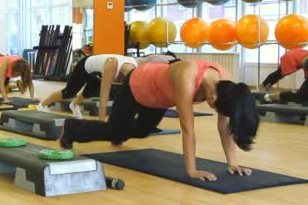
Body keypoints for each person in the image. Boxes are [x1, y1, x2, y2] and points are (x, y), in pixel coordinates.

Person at [59, 59, 259, 182]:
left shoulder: (227, 87)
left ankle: (120, 131)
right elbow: (188, 129)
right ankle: (72, 128)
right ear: (213, 99)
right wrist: (192, 170)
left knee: (143, 131)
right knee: (115, 130)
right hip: (137, 85)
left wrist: (233, 163)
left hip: (158, 98)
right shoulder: (188, 77)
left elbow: (224, 126)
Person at [37, 54, 138, 119]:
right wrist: (101, 124)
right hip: (85, 66)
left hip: (98, 72)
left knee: (89, 93)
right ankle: (42, 105)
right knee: (69, 92)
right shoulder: (112, 66)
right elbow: (104, 97)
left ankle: (74, 105)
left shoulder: (136, 69)